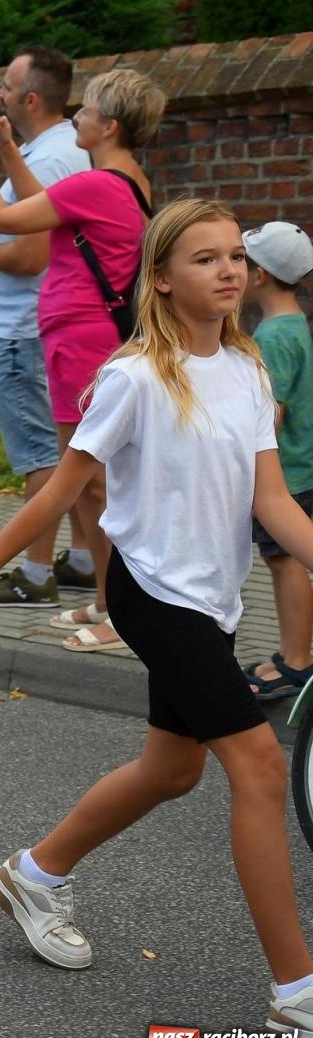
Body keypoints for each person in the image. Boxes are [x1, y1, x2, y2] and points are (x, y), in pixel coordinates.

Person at [0, 198, 313, 1038]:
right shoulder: (134, 377)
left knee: (172, 771)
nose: (227, 272)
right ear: (163, 279)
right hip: (151, 591)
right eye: (204, 259)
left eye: (234, 259)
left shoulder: (247, 373)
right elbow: (63, 493)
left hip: (210, 598)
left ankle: (35, 873)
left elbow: (272, 502)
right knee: (258, 767)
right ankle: (298, 993)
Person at [0, 67, 165, 652]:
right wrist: (5, 146)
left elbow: (1, 219)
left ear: (108, 125)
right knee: (91, 484)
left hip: (84, 339)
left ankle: (122, 613)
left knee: (97, 484)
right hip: (78, 336)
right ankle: (107, 599)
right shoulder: (118, 181)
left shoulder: (100, 184)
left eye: (86, 111)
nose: (76, 117)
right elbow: (44, 206)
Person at [0, 46, 95, 608]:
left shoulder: (53, 160)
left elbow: (35, 256)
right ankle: (85, 560)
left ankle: (36, 573)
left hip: (24, 329)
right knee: (74, 452)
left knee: (44, 457)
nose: (0, 99)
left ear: (30, 99)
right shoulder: (51, 149)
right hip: (40, 327)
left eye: (7, 90)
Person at [237, 221, 313, 700]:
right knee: (286, 561)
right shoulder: (294, 322)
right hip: (301, 468)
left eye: (239, 261)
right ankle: (296, 652)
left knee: (284, 561)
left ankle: (296, 662)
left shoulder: (273, 339)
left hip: (284, 475)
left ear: (259, 275)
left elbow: (272, 416)